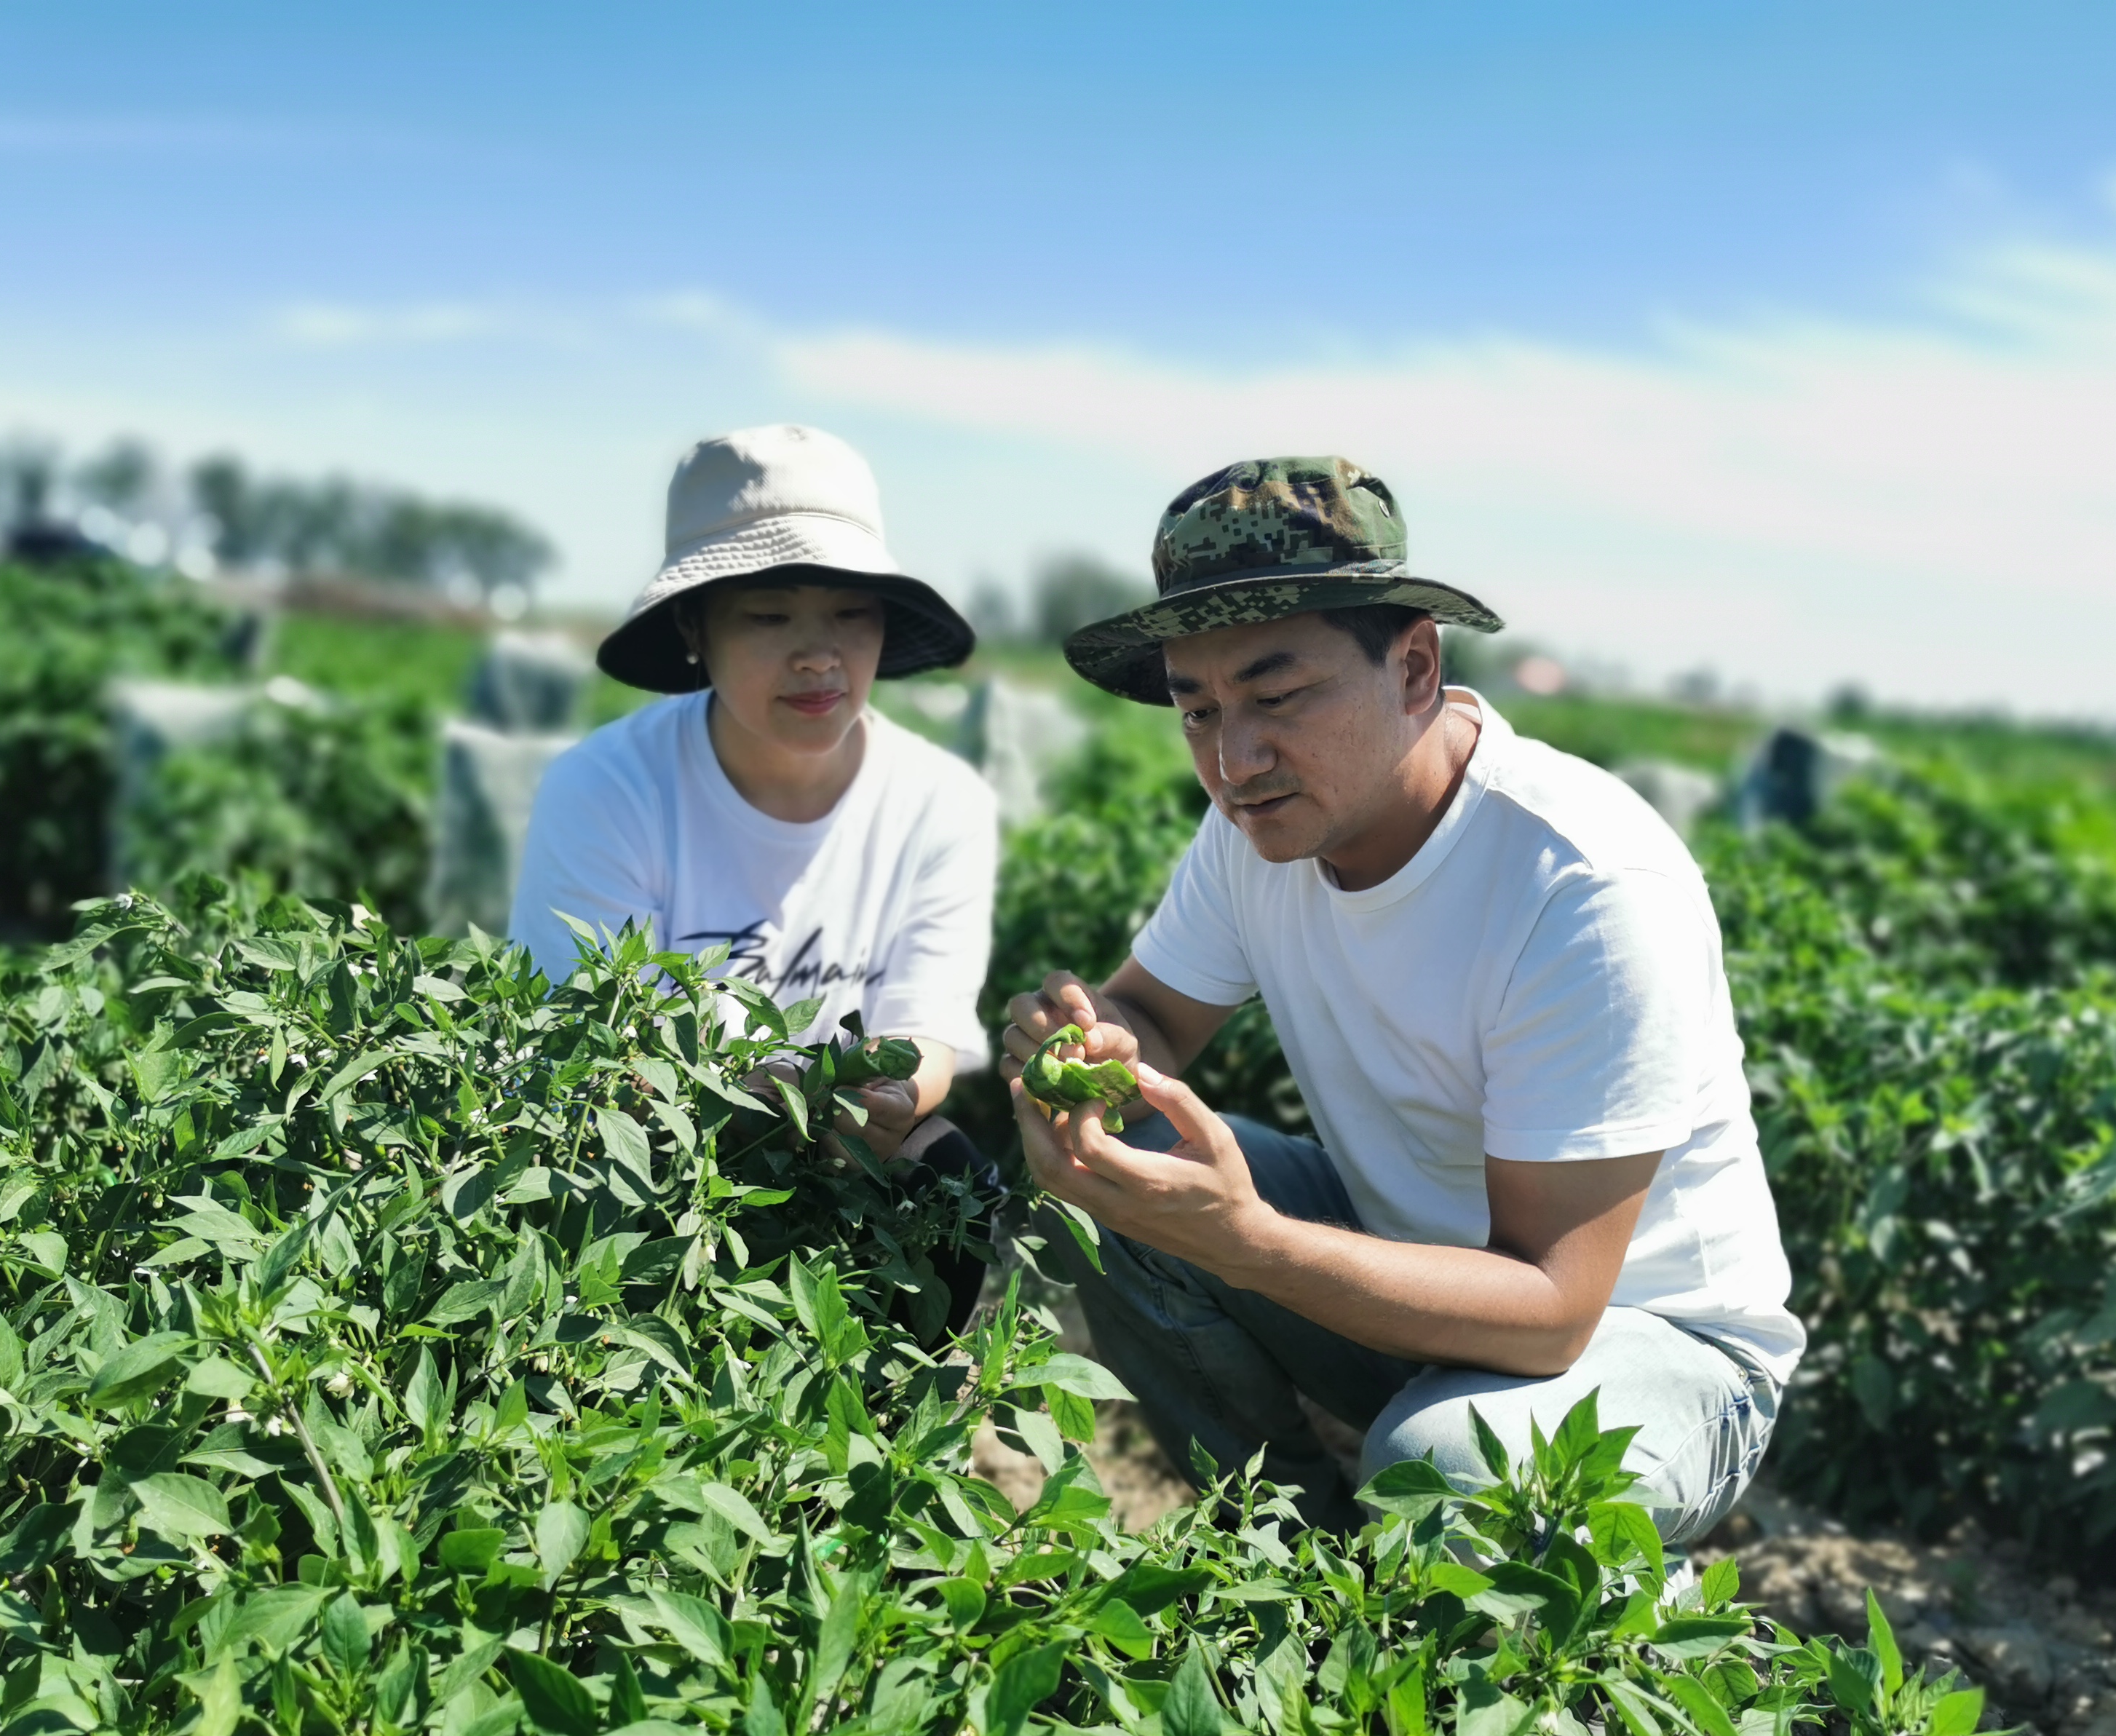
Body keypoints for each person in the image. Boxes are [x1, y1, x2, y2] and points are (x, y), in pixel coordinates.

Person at [1003, 457, 1800, 1541]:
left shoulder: (1581, 885)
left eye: (1277, 696)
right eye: (1198, 711)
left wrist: (1250, 1241)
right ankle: (1288, 1558)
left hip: (1652, 1347)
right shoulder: (1261, 825)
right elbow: (1155, 1023)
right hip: (1418, 1280)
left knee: (1444, 1469)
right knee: (1129, 1159)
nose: (1235, 760)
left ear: (1415, 667)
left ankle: (1581, 1579)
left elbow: (1554, 1311)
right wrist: (1092, 1043)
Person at [511, 424, 1001, 1323]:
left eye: (851, 614)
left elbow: (926, 1024)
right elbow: (585, 1048)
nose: (818, 656)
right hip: (653, 1144)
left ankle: (887, 1396)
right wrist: (772, 1097)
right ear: (693, 628)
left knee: (946, 1176)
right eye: (770, 617)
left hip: (841, 1143)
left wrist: (891, 1097)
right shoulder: (606, 787)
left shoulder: (942, 801)